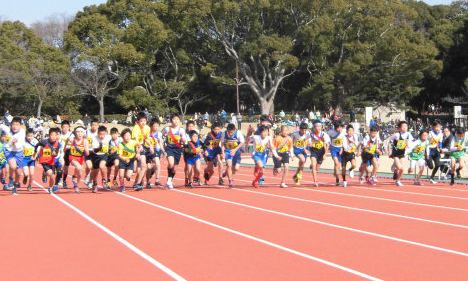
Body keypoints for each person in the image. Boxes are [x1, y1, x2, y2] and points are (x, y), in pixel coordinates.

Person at [33, 128, 62, 194]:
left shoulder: (58, 144)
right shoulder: (44, 142)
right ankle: (46, 174)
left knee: (53, 177)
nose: (54, 137)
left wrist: (55, 154)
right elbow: (37, 145)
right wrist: (35, 154)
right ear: (49, 135)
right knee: (51, 175)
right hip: (44, 161)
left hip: (52, 162)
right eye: (52, 135)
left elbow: (56, 153)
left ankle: (50, 187)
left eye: (55, 135)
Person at [161, 114, 187, 189]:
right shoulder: (167, 129)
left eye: (177, 119)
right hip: (169, 148)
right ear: (171, 120)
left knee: (174, 170)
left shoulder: (181, 130)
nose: (176, 121)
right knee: (171, 164)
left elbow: (185, 140)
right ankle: (169, 181)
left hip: (178, 149)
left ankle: (169, 180)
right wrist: (162, 142)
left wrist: (182, 138)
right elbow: (160, 135)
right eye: (174, 119)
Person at [386, 121, 414, 187]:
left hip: (402, 154)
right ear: (399, 128)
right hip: (395, 154)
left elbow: (410, 144)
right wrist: (387, 149)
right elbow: (388, 139)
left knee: (400, 169)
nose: (405, 128)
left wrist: (408, 146)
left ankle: (398, 180)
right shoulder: (397, 135)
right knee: (401, 168)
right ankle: (395, 170)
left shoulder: (408, 134)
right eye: (403, 126)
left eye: (406, 126)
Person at [4, 117, 25, 194]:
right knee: (13, 166)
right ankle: (11, 178)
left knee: (19, 173)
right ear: (11, 125)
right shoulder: (7, 130)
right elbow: (1, 126)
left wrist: (15, 143)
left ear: (20, 126)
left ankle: (15, 186)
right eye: (13, 124)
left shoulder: (22, 133)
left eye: (17, 125)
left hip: (18, 152)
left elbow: (20, 146)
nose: (15, 126)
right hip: (9, 151)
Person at [131, 112, 151, 190]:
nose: (143, 122)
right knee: (134, 169)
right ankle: (131, 176)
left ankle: (138, 183)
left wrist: (151, 146)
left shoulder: (147, 128)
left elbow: (146, 138)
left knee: (144, 166)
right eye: (141, 121)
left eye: (144, 121)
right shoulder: (136, 128)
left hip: (141, 147)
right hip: (133, 147)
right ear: (138, 121)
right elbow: (135, 140)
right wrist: (138, 151)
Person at [309, 120, 331, 187]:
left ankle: (314, 167)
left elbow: (327, 144)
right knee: (313, 165)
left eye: (319, 126)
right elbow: (304, 139)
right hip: (314, 150)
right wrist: (307, 144)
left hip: (321, 151)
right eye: (316, 127)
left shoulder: (324, 134)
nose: (318, 128)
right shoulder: (310, 134)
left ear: (321, 127)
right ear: (314, 127)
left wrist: (325, 154)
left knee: (317, 168)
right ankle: (315, 181)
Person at [89, 126, 111, 193]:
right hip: (95, 155)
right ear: (97, 133)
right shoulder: (94, 139)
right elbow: (95, 150)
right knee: (95, 172)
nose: (102, 136)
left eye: (103, 134)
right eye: (100, 134)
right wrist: (100, 146)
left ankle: (104, 180)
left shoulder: (108, 137)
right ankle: (95, 184)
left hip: (104, 155)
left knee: (102, 166)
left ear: (106, 134)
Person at [69, 127, 90, 193]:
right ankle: (75, 179)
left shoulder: (85, 141)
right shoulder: (72, 139)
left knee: (80, 174)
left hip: (80, 158)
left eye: (81, 132)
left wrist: (86, 150)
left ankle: (76, 185)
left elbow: (87, 153)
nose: (80, 134)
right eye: (78, 132)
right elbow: (67, 139)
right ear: (75, 133)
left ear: (84, 133)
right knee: (78, 167)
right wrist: (66, 148)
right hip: (73, 157)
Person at [146, 118, 164, 188]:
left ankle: (157, 180)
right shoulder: (147, 132)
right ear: (151, 126)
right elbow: (145, 140)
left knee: (157, 164)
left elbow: (160, 143)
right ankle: (148, 182)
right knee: (148, 167)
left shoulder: (159, 133)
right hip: (147, 150)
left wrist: (163, 151)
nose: (156, 128)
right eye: (154, 126)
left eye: (157, 126)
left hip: (155, 150)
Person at [328, 121, 346, 186]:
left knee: (338, 165)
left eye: (341, 127)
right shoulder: (331, 132)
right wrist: (329, 143)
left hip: (340, 149)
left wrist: (343, 148)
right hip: (333, 149)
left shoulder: (343, 131)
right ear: (335, 128)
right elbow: (326, 137)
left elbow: (345, 139)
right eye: (338, 128)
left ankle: (337, 178)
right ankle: (337, 178)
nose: (340, 129)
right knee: (336, 163)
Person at [84, 119, 99, 188]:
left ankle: (90, 181)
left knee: (94, 169)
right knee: (89, 166)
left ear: (98, 126)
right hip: (88, 151)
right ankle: (87, 176)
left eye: (95, 125)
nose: (94, 127)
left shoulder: (99, 133)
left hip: (96, 152)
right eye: (93, 125)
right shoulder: (86, 132)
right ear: (90, 125)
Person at [60, 121, 73, 189]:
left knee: (66, 168)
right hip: (60, 152)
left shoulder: (71, 135)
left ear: (69, 127)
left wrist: (69, 147)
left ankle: (64, 181)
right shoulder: (59, 134)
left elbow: (74, 144)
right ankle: (59, 177)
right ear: (61, 127)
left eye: (67, 127)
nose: (65, 128)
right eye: (64, 127)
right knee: (61, 165)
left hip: (68, 152)